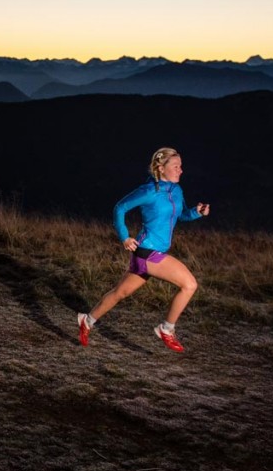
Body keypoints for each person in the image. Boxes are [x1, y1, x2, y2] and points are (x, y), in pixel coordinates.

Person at [78, 147, 210, 353]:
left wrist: (196, 212)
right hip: (147, 251)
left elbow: (181, 215)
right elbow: (119, 208)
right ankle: (166, 329)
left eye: (181, 166)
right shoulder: (149, 191)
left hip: (152, 253)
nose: (181, 170)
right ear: (161, 167)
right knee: (189, 284)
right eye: (176, 166)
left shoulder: (177, 191)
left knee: (120, 293)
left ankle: (87, 320)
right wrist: (124, 237)